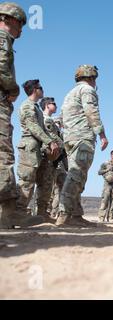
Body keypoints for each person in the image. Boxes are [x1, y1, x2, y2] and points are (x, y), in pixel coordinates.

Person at [0, 2, 43, 228]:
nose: (21, 31)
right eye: (21, 25)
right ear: (11, 20)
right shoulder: (3, 37)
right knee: (3, 155)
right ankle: (8, 213)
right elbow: (2, 65)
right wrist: (12, 89)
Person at [56, 65, 108, 228]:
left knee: (76, 174)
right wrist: (101, 134)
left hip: (70, 138)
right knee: (77, 175)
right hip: (82, 137)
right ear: (91, 77)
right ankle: (64, 215)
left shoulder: (70, 94)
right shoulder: (87, 90)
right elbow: (91, 112)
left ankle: (76, 215)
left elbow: (62, 119)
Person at [16, 80, 60, 223]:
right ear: (35, 90)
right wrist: (50, 141)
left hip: (38, 148)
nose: (43, 90)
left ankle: (42, 213)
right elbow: (33, 127)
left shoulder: (36, 108)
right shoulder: (27, 106)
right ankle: (18, 212)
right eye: (41, 88)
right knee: (27, 180)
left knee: (44, 182)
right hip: (29, 146)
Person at [40, 98, 66, 219]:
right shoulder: (45, 119)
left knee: (49, 185)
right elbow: (51, 137)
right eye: (53, 104)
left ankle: (45, 212)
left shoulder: (50, 120)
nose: (55, 105)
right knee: (45, 185)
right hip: (48, 155)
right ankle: (41, 212)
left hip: (55, 157)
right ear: (46, 105)